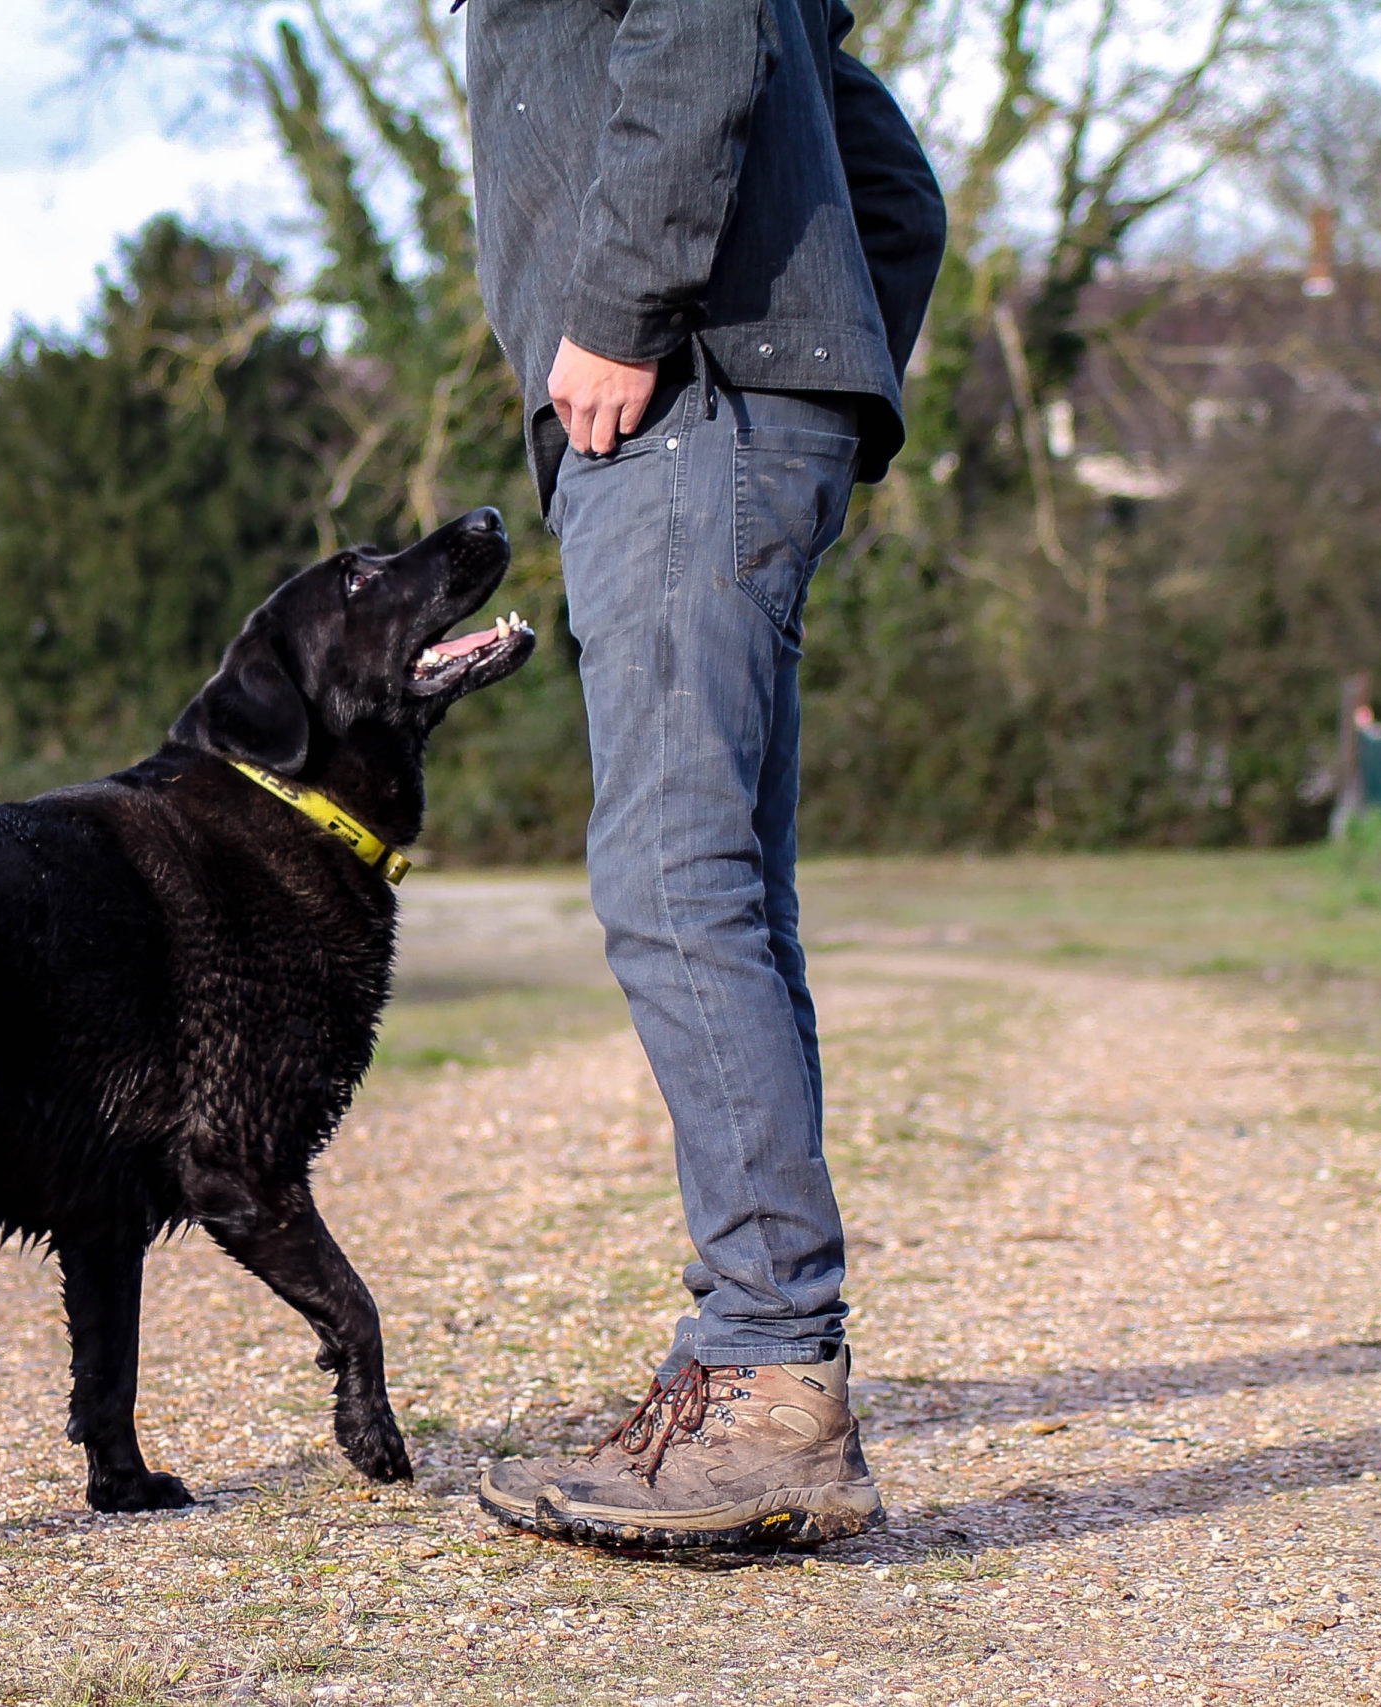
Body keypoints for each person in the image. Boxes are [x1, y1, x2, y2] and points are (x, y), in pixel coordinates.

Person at [461, 0, 947, 1549]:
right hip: (738, 406)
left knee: (675, 884)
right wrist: (828, 370)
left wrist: (619, 311)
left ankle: (771, 1375)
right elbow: (889, 195)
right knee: (723, 887)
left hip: (685, 404)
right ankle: (752, 1353)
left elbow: (703, 21)